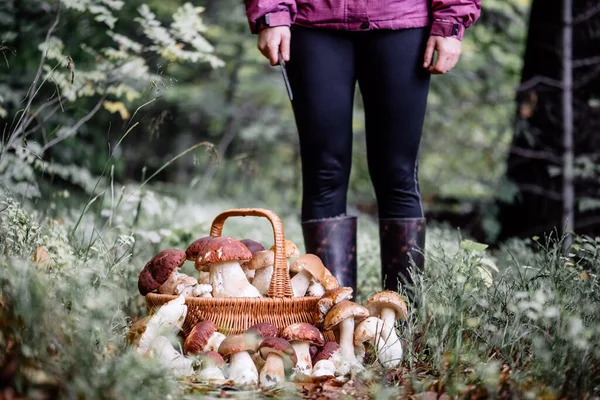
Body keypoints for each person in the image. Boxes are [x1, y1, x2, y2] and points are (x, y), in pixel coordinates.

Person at [243, 0, 481, 300]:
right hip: (313, 22)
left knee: (398, 175)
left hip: (402, 20)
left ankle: (402, 321)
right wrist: (271, 11)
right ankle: (333, 322)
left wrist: (451, 19)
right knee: (323, 173)